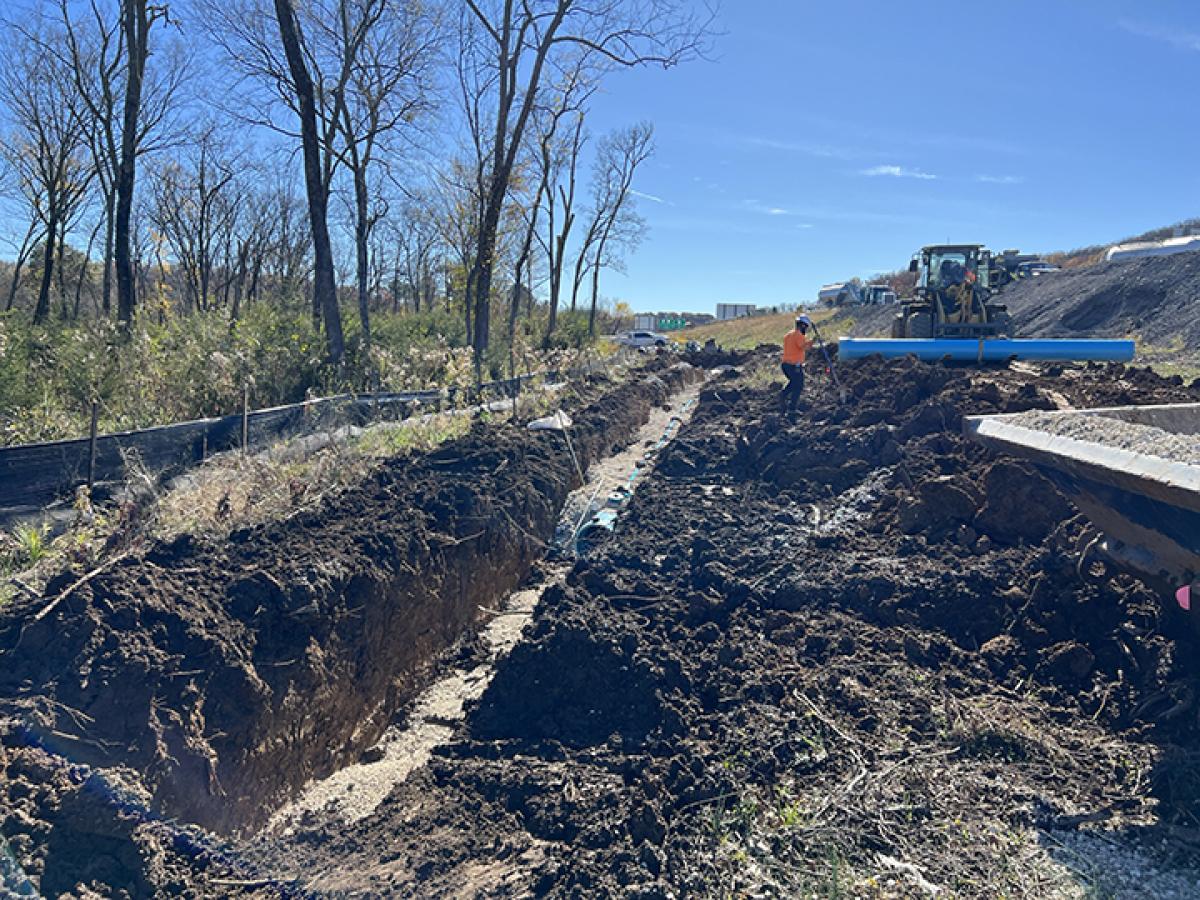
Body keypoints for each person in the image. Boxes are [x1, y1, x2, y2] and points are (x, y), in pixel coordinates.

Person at [780, 315, 815, 412]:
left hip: (785, 365)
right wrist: (812, 342)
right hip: (794, 365)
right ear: (803, 325)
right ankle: (791, 408)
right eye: (806, 327)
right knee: (798, 386)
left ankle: (783, 395)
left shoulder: (788, 335)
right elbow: (803, 347)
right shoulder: (798, 335)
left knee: (794, 383)